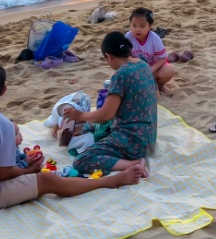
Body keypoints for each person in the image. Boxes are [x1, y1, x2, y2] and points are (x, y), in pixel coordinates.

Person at [0, 63, 145, 214]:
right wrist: (30, 170)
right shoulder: (1, 125)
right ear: (3, 91)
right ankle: (111, 181)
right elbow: (4, 175)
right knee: (48, 180)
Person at [61, 32, 160, 172]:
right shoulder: (143, 65)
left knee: (82, 161)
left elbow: (105, 115)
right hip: (150, 138)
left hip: (133, 142)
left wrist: (79, 116)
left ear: (108, 56)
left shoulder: (120, 75)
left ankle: (134, 164)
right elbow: (156, 95)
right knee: (100, 128)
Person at [126, 7, 174, 92]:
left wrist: (151, 69)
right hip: (137, 70)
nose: (137, 29)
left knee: (169, 70)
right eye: (134, 26)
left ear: (149, 26)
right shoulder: (128, 37)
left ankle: (159, 86)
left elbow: (163, 58)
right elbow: (124, 57)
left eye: (142, 26)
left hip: (154, 69)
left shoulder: (154, 38)